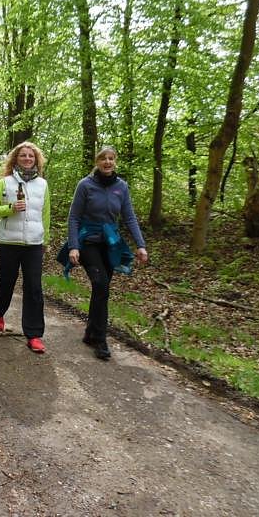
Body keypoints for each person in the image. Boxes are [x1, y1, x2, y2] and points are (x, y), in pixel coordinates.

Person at [67, 145, 148, 360]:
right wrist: (74, 246)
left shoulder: (121, 187)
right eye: (103, 158)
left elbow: (129, 217)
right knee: (101, 284)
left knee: (101, 289)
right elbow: (74, 217)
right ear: (97, 162)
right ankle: (101, 339)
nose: (107, 162)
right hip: (88, 241)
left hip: (110, 243)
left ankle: (90, 332)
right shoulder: (85, 185)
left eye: (111, 158)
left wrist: (140, 245)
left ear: (115, 162)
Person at [0, 142, 50, 354]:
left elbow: (45, 214)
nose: (27, 158)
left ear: (36, 159)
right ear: (16, 159)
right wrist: (10, 208)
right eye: (23, 155)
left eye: (31, 156)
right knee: (6, 283)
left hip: (34, 243)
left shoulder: (42, 184)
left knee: (34, 287)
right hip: (9, 242)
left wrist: (45, 240)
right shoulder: (4, 183)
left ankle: (34, 334)